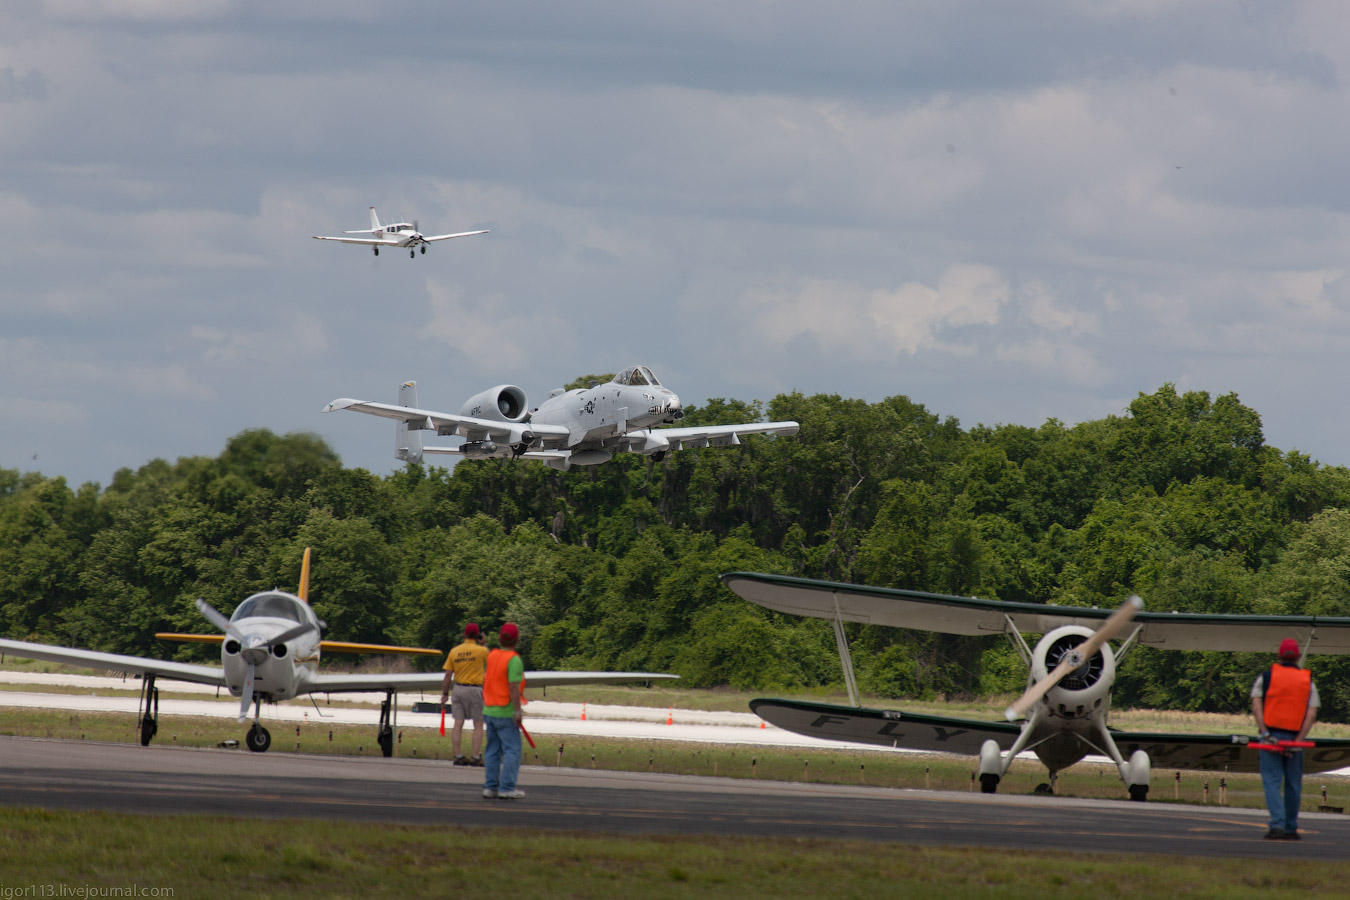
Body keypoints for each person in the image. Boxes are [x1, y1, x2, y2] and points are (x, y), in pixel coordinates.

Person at [1251, 638, 1319, 840]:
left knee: (1272, 782)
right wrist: (1298, 739)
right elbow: (1312, 713)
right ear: (1298, 657)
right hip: (1294, 737)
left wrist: (1265, 733)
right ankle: (1291, 827)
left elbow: (1256, 704)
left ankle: (1277, 825)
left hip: (1270, 735)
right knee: (1293, 784)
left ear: (1279, 656)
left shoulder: (1266, 677)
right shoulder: (1308, 681)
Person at [481, 621, 526, 800]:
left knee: (492, 750)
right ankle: (507, 787)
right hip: (506, 711)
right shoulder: (514, 660)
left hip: (489, 710)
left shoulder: (492, 655)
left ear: (500, 639)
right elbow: (514, 688)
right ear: (517, 639)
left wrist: (484, 643)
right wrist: (517, 711)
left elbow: (489, 657)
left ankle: (490, 787)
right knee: (512, 750)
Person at [440, 622, 488, 766]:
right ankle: (476, 756)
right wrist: (484, 644)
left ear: (464, 634)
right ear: (477, 635)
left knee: (458, 723)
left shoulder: (455, 651)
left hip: (458, 689)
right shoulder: (482, 651)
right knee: (478, 724)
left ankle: (458, 755)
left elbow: (448, 674)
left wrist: (444, 693)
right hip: (475, 690)